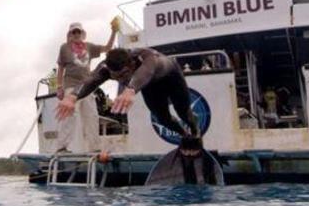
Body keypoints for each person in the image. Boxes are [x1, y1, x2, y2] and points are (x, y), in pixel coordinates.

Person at [56, 46, 201, 142]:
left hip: (171, 77)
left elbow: (148, 70)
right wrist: (73, 96)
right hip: (149, 86)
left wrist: (131, 88)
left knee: (184, 113)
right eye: (116, 77)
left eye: (124, 74)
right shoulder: (106, 67)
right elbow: (91, 80)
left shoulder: (147, 57)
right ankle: (185, 137)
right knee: (163, 119)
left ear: (132, 65)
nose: (121, 80)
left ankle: (195, 130)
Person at [54, 20, 118, 153]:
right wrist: (59, 87)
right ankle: (61, 147)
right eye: (74, 32)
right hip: (71, 87)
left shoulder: (89, 46)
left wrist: (114, 32)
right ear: (70, 34)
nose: (76, 34)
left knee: (92, 116)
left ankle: (94, 147)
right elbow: (60, 68)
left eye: (78, 31)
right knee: (69, 115)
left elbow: (108, 48)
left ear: (82, 33)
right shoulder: (64, 48)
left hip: (87, 87)